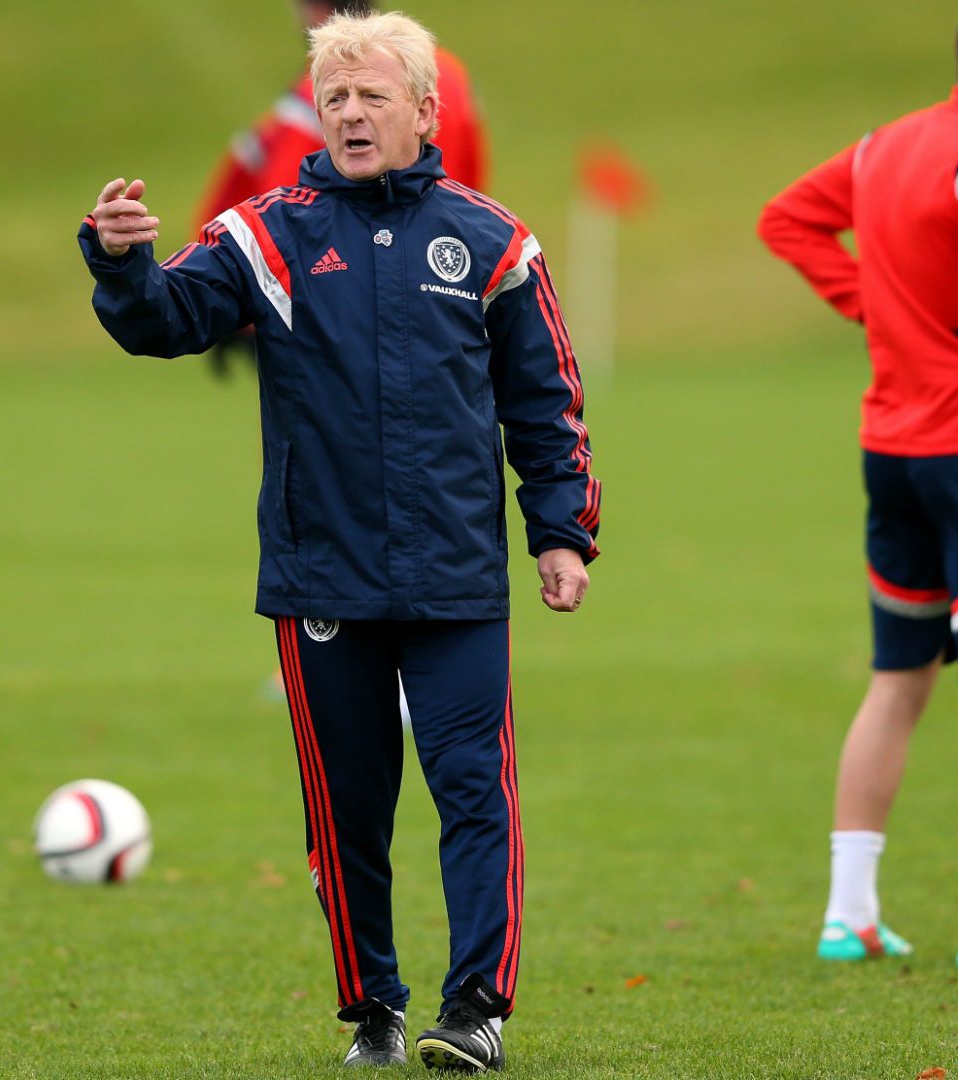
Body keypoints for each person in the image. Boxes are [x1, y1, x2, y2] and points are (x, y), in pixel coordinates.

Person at [79, 11, 598, 1071]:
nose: (351, 115)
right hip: (325, 577)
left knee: (473, 791)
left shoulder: (494, 241)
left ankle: (475, 1011)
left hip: (458, 576)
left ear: (423, 108)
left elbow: (544, 402)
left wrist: (561, 532)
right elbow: (169, 319)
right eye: (336, 99)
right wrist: (123, 266)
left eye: (371, 96)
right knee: (348, 814)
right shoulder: (267, 232)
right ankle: (375, 1012)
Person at [757, 0, 958, 968]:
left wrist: (876, 309)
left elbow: (787, 220)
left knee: (897, 678)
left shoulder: (882, 145)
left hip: (892, 446)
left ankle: (848, 914)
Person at [191, 0, 489, 379]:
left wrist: (244, 313)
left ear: (320, 12)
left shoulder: (326, 90)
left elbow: (280, 214)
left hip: (354, 293)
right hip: (451, 279)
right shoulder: (449, 74)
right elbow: (474, 175)